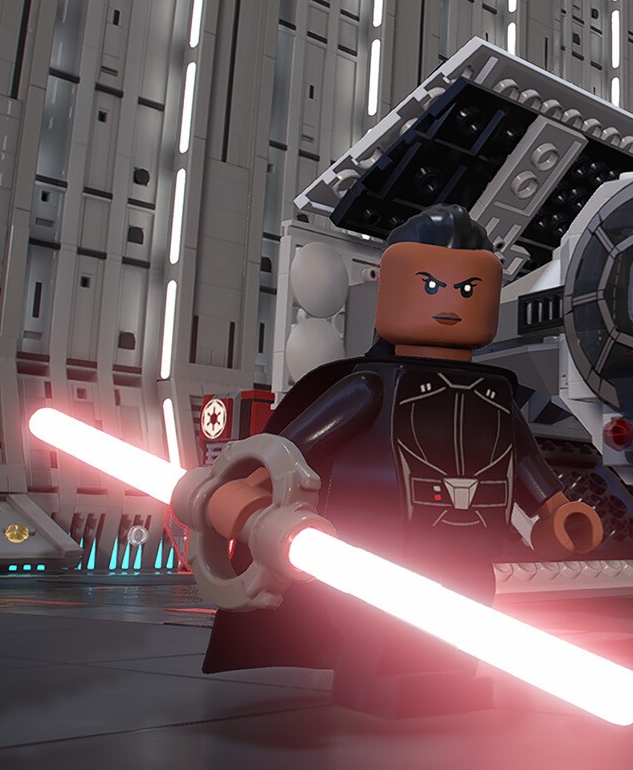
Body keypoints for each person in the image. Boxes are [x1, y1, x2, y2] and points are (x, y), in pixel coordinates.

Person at [197, 205, 603, 717]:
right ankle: (373, 676)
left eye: (468, 289)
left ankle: (451, 676)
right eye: (431, 286)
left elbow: (520, 454)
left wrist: (554, 508)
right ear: (397, 286)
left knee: (471, 599)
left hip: (471, 535)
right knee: (379, 616)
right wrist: (253, 486)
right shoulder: (371, 384)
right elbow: (298, 448)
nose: (451, 301)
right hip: (384, 543)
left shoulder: (496, 393)